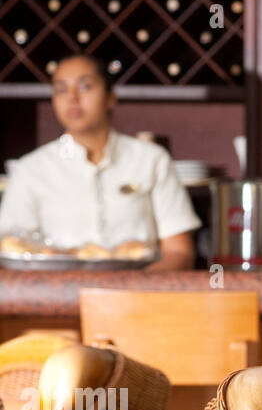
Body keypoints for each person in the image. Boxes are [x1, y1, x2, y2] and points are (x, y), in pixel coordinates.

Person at [0, 54, 200, 270]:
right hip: (54, 295)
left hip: (137, 294)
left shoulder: (151, 159)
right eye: (61, 89)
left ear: (111, 97)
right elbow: (10, 249)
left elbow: (180, 252)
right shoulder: (32, 168)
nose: (72, 98)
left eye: (85, 87)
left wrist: (129, 292)